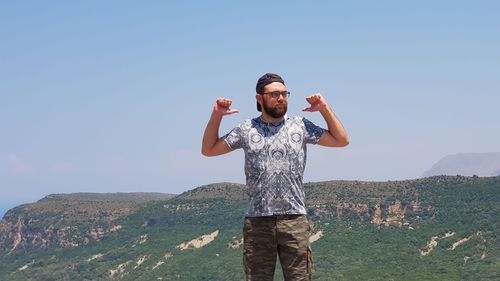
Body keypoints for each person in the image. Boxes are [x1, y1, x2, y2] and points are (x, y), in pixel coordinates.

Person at [201, 73, 349, 281]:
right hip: (258, 221)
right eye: (275, 94)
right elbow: (208, 149)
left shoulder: (300, 125)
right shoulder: (246, 129)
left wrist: (324, 108)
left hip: (294, 218)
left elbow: (341, 140)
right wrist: (217, 115)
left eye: (284, 93)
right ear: (259, 98)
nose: (281, 98)